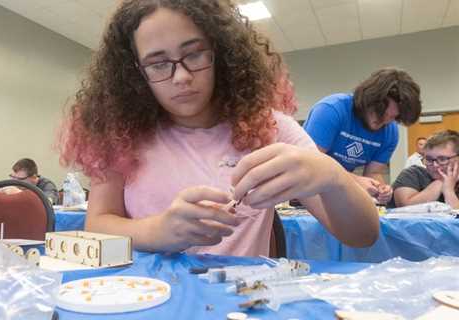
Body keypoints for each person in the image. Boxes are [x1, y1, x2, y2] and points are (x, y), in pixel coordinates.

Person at [58, 0, 379, 257]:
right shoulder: (121, 135)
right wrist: (160, 231)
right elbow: (97, 224)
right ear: (136, 74)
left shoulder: (270, 129)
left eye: (194, 54)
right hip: (147, 298)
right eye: (158, 64)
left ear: (221, 53)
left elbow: (362, 236)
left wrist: (333, 177)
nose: (181, 76)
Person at [303, 68, 422, 204]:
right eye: (380, 113)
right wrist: (356, 180)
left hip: (337, 192)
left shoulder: (390, 132)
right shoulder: (331, 110)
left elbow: (373, 173)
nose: (384, 121)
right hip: (306, 190)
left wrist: (380, 189)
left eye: (393, 117)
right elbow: (310, 166)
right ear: (368, 100)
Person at [392, 130, 459, 209]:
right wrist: (441, 182)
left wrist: (449, 192)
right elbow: (405, 208)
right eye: (429, 159)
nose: (435, 165)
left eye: (442, 159)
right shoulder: (412, 174)